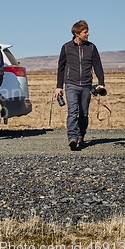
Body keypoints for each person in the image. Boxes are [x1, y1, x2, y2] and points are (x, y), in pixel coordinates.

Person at [54, 20, 105, 151]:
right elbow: (61, 68)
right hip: (71, 84)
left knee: (83, 113)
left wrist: (101, 83)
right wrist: (59, 86)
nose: (88, 34)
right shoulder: (66, 47)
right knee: (72, 112)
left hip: (87, 86)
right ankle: (72, 137)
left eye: (87, 31)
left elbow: (98, 66)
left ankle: (81, 135)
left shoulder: (92, 47)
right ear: (77, 34)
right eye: (85, 32)